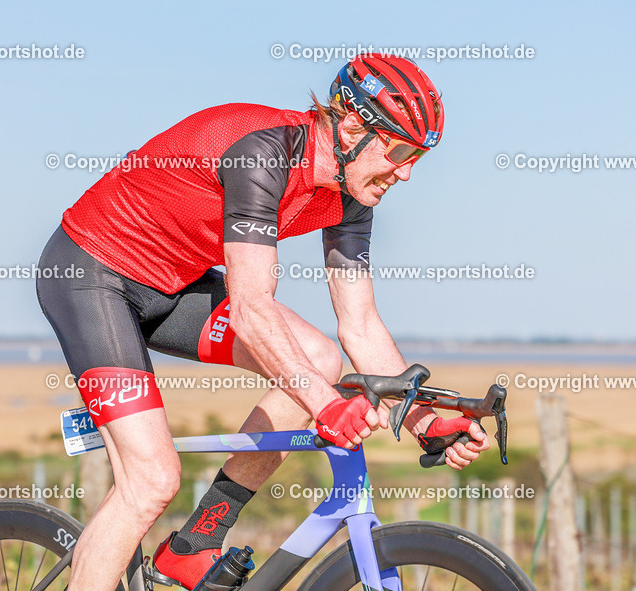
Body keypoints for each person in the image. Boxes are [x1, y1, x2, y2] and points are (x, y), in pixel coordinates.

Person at [36, 54, 490, 590]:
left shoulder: (351, 197)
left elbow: (361, 325)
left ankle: (196, 542)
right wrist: (326, 407)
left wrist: (422, 420)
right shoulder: (264, 154)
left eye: (417, 156)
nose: (407, 171)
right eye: (399, 150)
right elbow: (252, 311)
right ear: (351, 127)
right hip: (93, 274)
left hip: (174, 286)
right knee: (151, 481)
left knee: (321, 358)